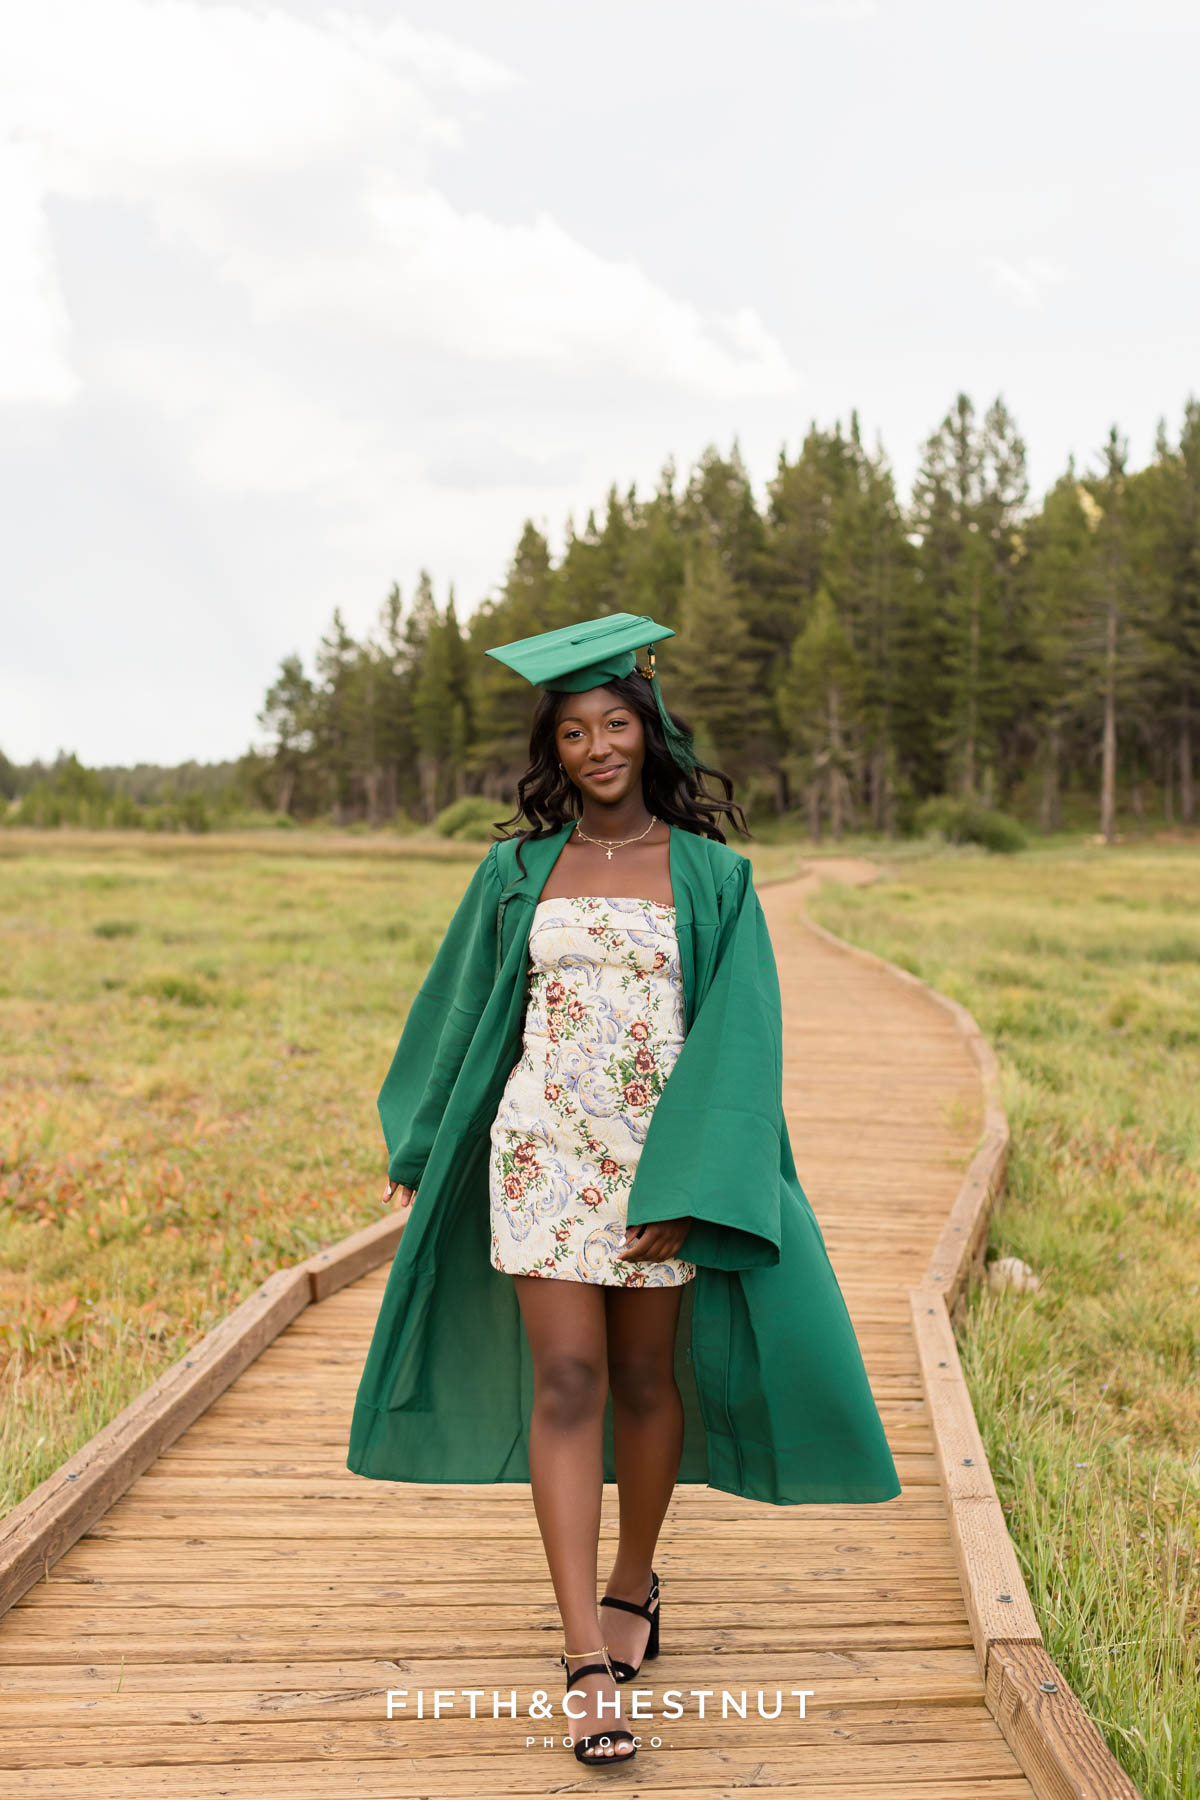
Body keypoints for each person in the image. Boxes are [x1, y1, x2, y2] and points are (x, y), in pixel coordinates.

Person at [346, 612, 901, 1769]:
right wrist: (420, 1146)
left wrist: (698, 1178)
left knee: (647, 1378)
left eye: (615, 725)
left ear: (646, 735)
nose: (598, 746)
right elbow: (460, 1013)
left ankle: (635, 1580)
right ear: (553, 750)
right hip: (542, 1153)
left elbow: (741, 1040)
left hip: (662, 1160)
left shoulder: (713, 876)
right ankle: (582, 1657)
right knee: (569, 1379)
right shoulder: (515, 872)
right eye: (574, 731)